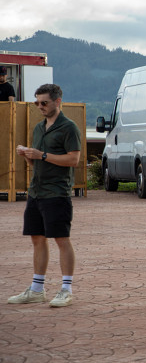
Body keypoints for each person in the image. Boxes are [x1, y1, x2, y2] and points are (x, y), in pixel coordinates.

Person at [8, 84, 81, 307]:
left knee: (61, 239)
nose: (40, 106)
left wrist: (43, 154)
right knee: (37, 239)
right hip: (36, 192)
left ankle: (66, 290)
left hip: (56, 192)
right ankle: (37, 290)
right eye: (37, 103)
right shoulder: (39, 128)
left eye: (44, 103)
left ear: (58, 102)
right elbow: (38, 160)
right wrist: (28, 155)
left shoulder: (69, 128)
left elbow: (73, 160)